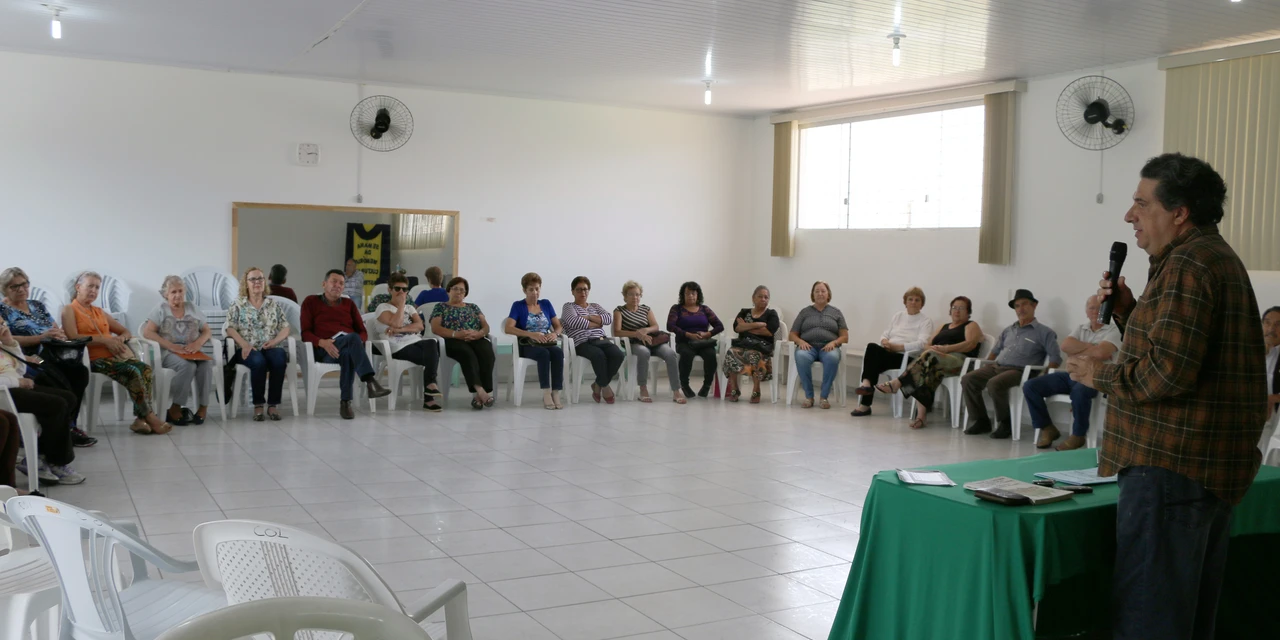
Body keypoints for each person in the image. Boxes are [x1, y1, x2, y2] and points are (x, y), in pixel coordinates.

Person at [1066, 153, 1266, 639]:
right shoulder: (1207, 257)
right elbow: (1180, 351)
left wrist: (1098, 375)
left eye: (1141, 203)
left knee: (1149, 621)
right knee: (1184, 619)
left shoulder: (1188, 266)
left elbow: (1166, 375)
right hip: (1197, 469)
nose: (1129, 215)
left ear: (1179, 212)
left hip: (1169, 470)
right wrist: (1128, 310)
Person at [62, 271, 172, 435]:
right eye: (90, 286)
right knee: (132, 372)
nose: (93, 291)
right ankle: (150, 417)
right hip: (92, 359)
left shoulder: (99, 312)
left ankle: (140, 419)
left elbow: (125, 331)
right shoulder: (69, 310)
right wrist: (104, 340)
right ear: (78, 287)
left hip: (114, 356)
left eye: (97, 287)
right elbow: (72, 337)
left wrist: (119, 340)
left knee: (145, 369)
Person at [0, 266, 95, 446]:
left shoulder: (37, 305)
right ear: (4, 289)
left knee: (79, 372)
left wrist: (59, 335)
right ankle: (64, 428)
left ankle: (70, 423)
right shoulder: (2, 310)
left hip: (52, 351)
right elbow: (6, 340)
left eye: (24, 284)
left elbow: (53, 327)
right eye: (14, 286)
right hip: (28, 356)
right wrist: (40, 338)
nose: (21, 289)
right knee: (51, 373)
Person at [1021, 296, 1120, 450]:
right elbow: (1066, 346)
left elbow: (1102, 353)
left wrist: (1079, 349)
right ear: (1086, 311)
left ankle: (1078, 435)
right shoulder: (1081, 327)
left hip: (1096, 377)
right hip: (1072, 374)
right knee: (1030, 386)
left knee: (1079, 391)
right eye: (1092, 308)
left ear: (1106, 311)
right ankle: (1047, 428)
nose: (1095, 311)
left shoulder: (1115, 330)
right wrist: (1092, 347)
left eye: (1100, 308)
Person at [962, 289, 1060, 439]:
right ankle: (981, 421)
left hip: (1020, 371)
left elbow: (1055, 358)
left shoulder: (1045, 332)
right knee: (968, 379)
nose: (1021, 309)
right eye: (1017, 306)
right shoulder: (1008, 330)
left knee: (995, 383)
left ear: (1034, 305)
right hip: (997, 366)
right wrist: (986, 365)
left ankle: (1005, 423)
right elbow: (994, 352)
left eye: (1025, 304)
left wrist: (1045, 375)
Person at [873, 296, 982, 429]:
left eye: (961, 308)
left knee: (929, 358)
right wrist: (934, 349)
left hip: (959, 361)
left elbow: (970, 344)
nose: (957, 311)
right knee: (925, 371)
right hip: (935, 359)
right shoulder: (943, 326)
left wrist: (946, 349)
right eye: (954, 307)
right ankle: (921, 417)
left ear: (968, 311)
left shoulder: (971, 325)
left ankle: (897, 383)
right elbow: (926, 344)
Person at [300, 269, 391, 420]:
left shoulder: (349, 304)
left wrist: (356, 343)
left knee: (349, 350)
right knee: (352, 338)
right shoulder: (311, 302)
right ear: (324, 284)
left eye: (341, 283)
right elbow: (305, 333)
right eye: (334, 281)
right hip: (325, 350)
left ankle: (345, 403)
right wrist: (322, 343)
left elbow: (362, 332)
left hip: (347, 346)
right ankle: (370, 381)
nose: (338, 285)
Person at [1, 321, 84, 485]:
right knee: (57, 404)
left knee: (69, 398)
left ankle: (41, 455)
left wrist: (10, 343)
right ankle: (57, 461)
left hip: (17, 386)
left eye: (2, 323)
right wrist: (17, 382)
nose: (2, 327)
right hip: (4, 392)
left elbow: (21, 370)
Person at [142, 276, 214, 426]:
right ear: (166, 294)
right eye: (173, 292)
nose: (178, 295)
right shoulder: (161, 309)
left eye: (180, 291)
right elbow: (147, 332)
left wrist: (198, 343)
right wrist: (171, 346)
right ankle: (175, 407)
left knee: (206, 365)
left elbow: (207, 331)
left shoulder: (192, 307)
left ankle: (203, 407)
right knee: (187, 366)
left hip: (192, 351)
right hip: (169, 353)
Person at [851, 287, 935, 417]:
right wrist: (884, 341)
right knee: (872, 347)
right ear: (905, 302)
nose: (913, 302)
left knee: (872, 362)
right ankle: (866, 385)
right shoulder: (898, 316)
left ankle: (865, 404)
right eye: (910, 299)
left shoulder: (925, 321)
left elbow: (922, 344)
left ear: (922, 304)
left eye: (917, 300)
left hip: (907, 357)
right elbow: (885, 334)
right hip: (890, 353)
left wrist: (899, 347)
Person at [225, 267, 291, 421]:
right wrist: (244, 344)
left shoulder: (272, 304)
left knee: (279, 358)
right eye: (253, 279)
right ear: (246, 284)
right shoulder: (238, 304)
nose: (257, 282)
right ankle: (258, 405)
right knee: (258, 361)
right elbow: (230, 328)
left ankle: (273, 405)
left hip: (270, 346)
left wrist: (275, 341)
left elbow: (286, 327)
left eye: (260, 278)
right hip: (247, 348)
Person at [372, 272, 442, 412]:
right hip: (396, 347)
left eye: (404, 289)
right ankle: (429, 396)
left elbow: (420, 326)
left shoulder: (410, 308)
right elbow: (396, 323)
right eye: (397, 289)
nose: (401, 292)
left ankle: (430, 387)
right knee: (431, 356)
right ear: (390, 290)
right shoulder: (383, 307)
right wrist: (401, 305)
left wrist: (401, 329)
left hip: (414, 341)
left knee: (433, 343)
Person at [614, 281, 684, 404]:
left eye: (637, 294)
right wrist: (637, 333)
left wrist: (645, 330)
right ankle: (643, 389)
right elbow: (617, 332)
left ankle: (676, 390)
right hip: (634, 343)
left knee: (670, 353)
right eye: (631, 294)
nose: (635, 297)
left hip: (652, 341)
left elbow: (655, 326)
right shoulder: (619, 311)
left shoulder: (646, 309)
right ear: (625, 296)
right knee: (644, 352)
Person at [430, 277, 495, 409]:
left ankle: (479, 397)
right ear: (448, 290)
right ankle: (481, 391)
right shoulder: (440, 307)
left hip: (475, 338)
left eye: (462, 290)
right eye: (455, 289)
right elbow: (435, 328)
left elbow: (486, 326)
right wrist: (456, 334)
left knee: (487, 352)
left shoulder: (473, 307)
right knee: (467, 354)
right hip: (452, 340)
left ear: (465, 293)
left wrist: (479, 334)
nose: (458, 292)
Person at [505, 273, 564, 410]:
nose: (535, 292)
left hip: (546, 342)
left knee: (558, 353)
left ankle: (556, 392)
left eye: (537, 289)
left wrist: (555, 334)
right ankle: (546, 392)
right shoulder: (518, 306)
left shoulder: (546, 304)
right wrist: (531, 334)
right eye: (531, 289)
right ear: (524, 290)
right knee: (544, 354)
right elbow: (508, 328)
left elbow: (558, 325)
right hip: (527, 344)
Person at [788, 281, 849, 409]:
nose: (820, 294)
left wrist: (834, 342)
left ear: (828, 294)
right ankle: (809, 396)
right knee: (801, 356)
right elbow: (792, 334)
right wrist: (800, 342)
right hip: (808, 347)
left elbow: (844, 337)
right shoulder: (804, 312)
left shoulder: (836, 312)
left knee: (832, 357)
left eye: (823, 291)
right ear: (813, 294)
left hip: (828, 348)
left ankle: (824, 397)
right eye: (817, 291)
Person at [563, 276, 624, 404]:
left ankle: (598, 384)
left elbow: (608, 318)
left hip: (601, 340)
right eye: (579, 289)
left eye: (585, 289)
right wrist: (596, 323)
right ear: (572, 291)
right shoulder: (569, 306)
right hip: (582, 342)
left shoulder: (595, 306)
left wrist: (589, 316)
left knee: (618, 354)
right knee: (598, 355)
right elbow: (574, 322)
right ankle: (605, 387)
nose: (583, 292)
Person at [722, 286, 779, 404]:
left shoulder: (771, 314)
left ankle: (756, 390)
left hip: (761, 346)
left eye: (766, 297)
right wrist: (758, 324)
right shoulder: (744, 312)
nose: (763, 299)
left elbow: (768, 332)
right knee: (731, 352)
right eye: (760, 296)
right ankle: (734, 389)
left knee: (754, 355)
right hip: (743, 344)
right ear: (753, 298)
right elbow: (737, 327)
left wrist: (746, 327)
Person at [668, 281, 724, 399]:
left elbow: (719, 326)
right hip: (684, 341)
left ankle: (706, 385)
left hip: (703, 342)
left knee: (711, 355)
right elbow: (670, 326)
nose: (690, 296)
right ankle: (684, 385)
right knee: (686, 354)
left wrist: (707, 334)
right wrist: (688, 334)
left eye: (693, 293)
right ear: (683, 295)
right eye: (687, 293)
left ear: (698, 295)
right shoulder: (677, 309)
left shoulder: (705, 309)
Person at [1263, 306, 1280, 418]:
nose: (1271, 329)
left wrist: (1272, 399)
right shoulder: (1247, 352)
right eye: (1267, 323)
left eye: (1278, 324)